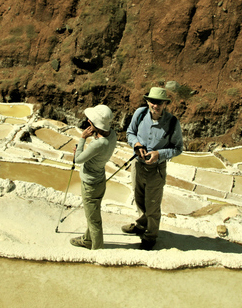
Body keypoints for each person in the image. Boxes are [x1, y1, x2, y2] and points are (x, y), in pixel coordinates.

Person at [123, 87, 183, 250]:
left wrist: (159, 154)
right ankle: (141, 226)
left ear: (165, 104)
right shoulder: (140, 113)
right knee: (139, 197)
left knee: (153, 204)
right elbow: (130, 133)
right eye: (152, 101)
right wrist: (136, 145)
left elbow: (178, 148)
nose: (155, 105)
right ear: (148, 101)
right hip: (138, 165)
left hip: (156, 170)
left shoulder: (172, 122)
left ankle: (150, 237)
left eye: (159, 102)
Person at [70, 104, 117, 250]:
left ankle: (97, 251)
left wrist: (82, 139)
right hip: (100, 180)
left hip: (90, 184)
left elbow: (77, 160)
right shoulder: (112, 135)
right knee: (93, 213)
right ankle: (87, 240)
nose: (88, 122)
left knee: (94, 220)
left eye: (90, 121)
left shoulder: (98, 144)